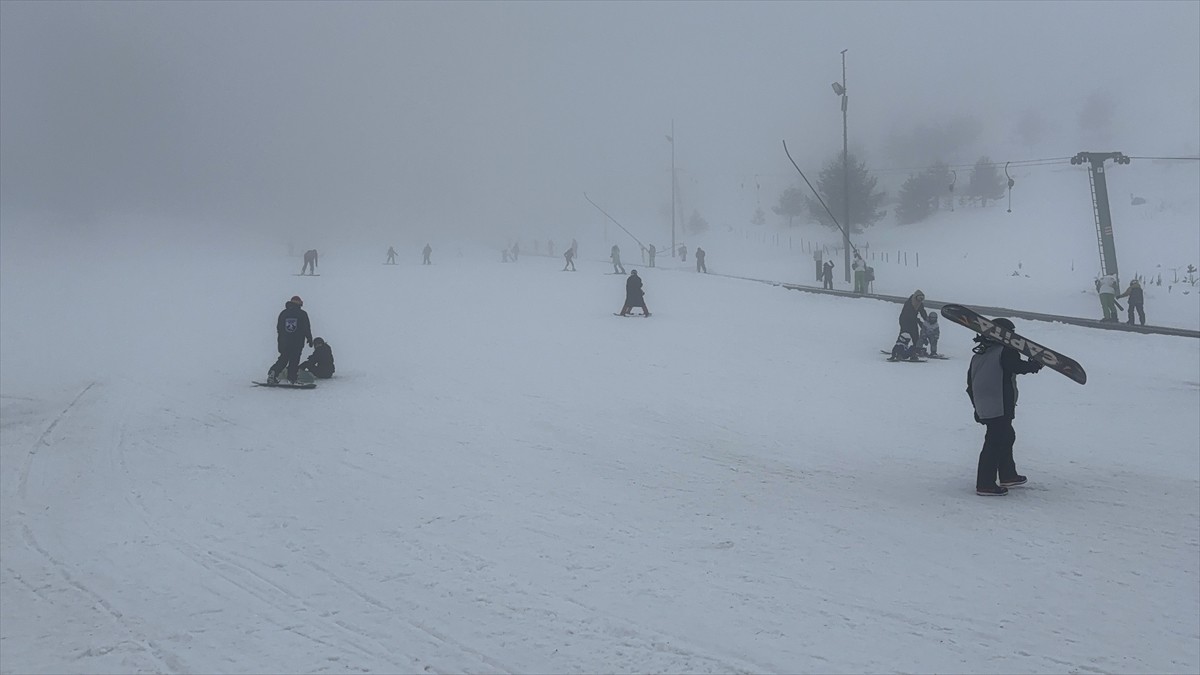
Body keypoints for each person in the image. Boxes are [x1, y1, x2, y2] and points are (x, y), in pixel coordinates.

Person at [966, 317, 1043, 496]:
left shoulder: (980, 354)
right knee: (995, 441)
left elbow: (970, 383)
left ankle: (1008, 474)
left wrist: (977, 407)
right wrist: (1035, 365)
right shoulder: (1004, 351)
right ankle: (985, 484)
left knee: (1006, 436)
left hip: (985, 403)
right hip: (999, 403)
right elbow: (1015, 366)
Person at [268, 295, 313, 385]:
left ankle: (273, 372)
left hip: (284, 342)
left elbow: (279, 328)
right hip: (297, 341)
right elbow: (306, 327)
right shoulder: (302, 314)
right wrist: (309, 338)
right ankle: (292, 379)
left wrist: (281, 341)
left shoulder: (283, 313)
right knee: (294, 360)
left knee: (283, 359)